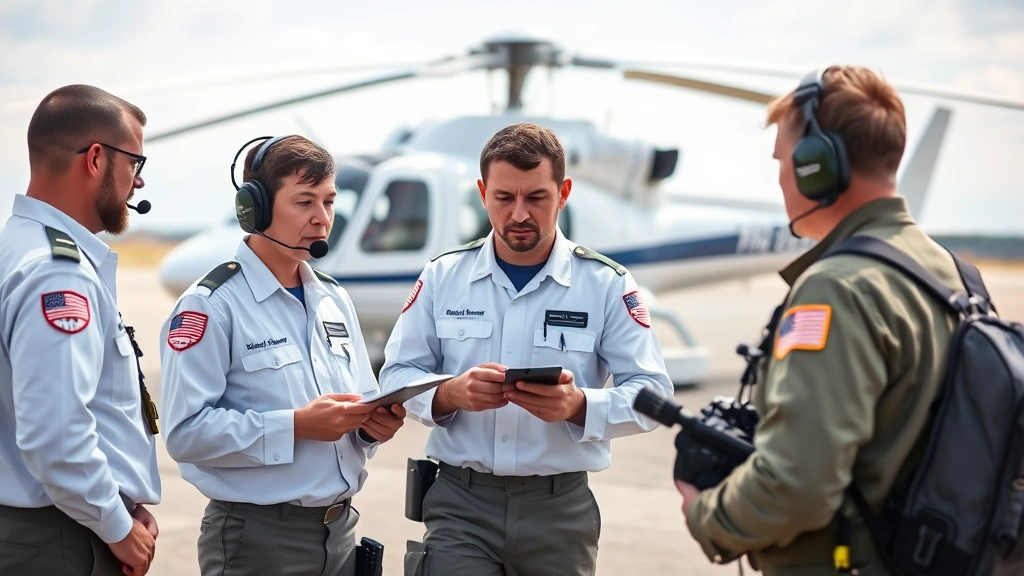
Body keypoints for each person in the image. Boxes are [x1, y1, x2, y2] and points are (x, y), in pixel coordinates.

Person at [678, 66, 970, 574]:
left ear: (818, 164)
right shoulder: (952, 273)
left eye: (784, 158)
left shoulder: (835, 289)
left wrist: (707, 515)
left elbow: (798, 484)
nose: (780, 176)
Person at [380, 122, 674, 576]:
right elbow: (396, 375)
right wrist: (449, 394)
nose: (519, 214)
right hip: (461, 505)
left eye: (536, 197)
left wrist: (580, 406)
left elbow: (654, 396)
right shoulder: (443, 277)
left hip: (559, 512)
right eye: (504, 198)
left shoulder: (604, 284)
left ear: (564, 192)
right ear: (482, 193)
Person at [159, 135, 405, 576]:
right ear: (256, 210)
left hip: (340, 533)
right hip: (258, 541)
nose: (322, 218)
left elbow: (358, 405)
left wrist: (371, 429)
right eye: (304, 202)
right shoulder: (211, 305)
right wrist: (298, 426)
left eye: (329, 201)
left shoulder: (333, 298)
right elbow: (185, 434)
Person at [0, 85, 161, 575]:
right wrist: (117, 526)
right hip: (59, 542)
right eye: (135, 163)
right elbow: (57, 436)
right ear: (96, 159)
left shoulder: (15, 247)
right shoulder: (58, 272)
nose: (137, 184)